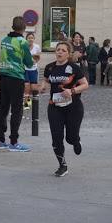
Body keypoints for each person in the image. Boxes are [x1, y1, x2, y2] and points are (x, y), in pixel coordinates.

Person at [40, 40, 89, 177]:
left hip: (73, 107)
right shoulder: (50, 67)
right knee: (56, 137)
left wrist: (72, 91)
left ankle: (75, 140)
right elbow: (46, 79)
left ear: (68, 54)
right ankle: (62, 165)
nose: (60, 52)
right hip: (55, 107)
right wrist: (43, 86)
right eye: (58, 49)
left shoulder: (73, 67)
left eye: (63, 50)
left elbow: (85, 85)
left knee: (70, 138)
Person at [0, 16, 34, 152]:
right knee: (17, 109)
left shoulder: (4, 40)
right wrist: (33, 60)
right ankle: (14, 142)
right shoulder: (22, 42)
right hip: (16, 77)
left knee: (3, 108)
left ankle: (1, 140)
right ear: (24, 29)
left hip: (3, 76)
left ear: (12, 27)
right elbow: (29, 62)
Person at [24, 32, 41, 109]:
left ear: (34, 39)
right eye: (29, 38)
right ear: (26, 39)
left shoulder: (37, 47)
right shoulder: (24, 46)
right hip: (25, 69)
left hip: (33, 69)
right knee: (26, 86)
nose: (30, 39)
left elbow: (38, 57)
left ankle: (33, 103)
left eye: (32, 38)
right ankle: (26, 105)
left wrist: (34, 61)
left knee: (33, 88)